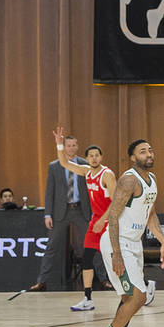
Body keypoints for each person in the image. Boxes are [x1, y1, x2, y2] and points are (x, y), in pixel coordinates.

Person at [91, 139, 164, 327]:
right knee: (139, 296)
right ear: (133, 158)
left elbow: (150, 214)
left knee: (128, 298)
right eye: (143, 151)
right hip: (119, 243)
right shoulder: (128, 179)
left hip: (134, 243)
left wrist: (163, 241)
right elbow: (113, 217)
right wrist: (116, 254)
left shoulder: (151, 180)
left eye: (150, 150)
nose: (149, 154)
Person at [51, 128, 123, 312]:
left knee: (115, 259)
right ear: (86, 158)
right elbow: (64, 163)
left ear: (101, 157)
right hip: (96, 221)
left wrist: (103, 221)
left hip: (110, 220)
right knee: (87, 259)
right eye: (90, 156)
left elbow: (116, 202)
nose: (93, 159)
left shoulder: (107, 174)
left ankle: (143, 286)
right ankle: (88, 298)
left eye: (97, 155)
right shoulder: (85, 171)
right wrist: (59, 144)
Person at [27, 135, 92, 292]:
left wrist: (94, 213)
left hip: (81, 210)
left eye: (73, 145)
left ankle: (103, 279)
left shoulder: (85, 164)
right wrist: (47, 214)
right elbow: (50, 192)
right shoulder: (54, 166)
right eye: (68, 145)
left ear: (77, 147)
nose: (71, 148)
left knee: (91, 245)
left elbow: (91, 191)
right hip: (60, 212)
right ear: (64, 147)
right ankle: (42, 281)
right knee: (51, 247)